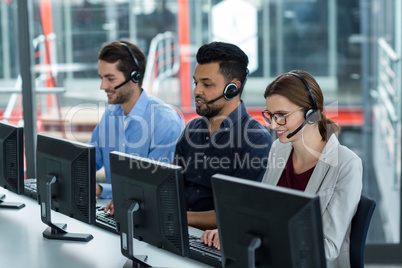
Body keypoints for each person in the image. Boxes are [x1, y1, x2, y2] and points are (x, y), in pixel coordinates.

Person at [201, 70, 362, 268]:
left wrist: (261, 238)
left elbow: (327, 247)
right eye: (270, 115)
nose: (274, 124)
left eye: (282, 116)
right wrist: (231, 231)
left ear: (311, 114)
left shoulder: (346, 164)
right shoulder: (280, 148)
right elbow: (262, 214)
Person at [174, 41, 273, 230]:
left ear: (232, 89)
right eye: (196, 82)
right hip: (178, 232)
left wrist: (175, 216)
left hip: (218, 245)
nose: (197, 91)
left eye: (206, 84)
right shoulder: (192, 130)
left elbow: (235, 212)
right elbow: (170, 190)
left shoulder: (256, 141)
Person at [90, 40, 184, 199]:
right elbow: (89, 160)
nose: (103, 86)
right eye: (101, 78)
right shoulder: (110, 115)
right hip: (118, 210)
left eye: (110, 79)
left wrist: (102, 190)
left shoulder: (164, 121)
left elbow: (155, 187)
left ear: (135, 77)